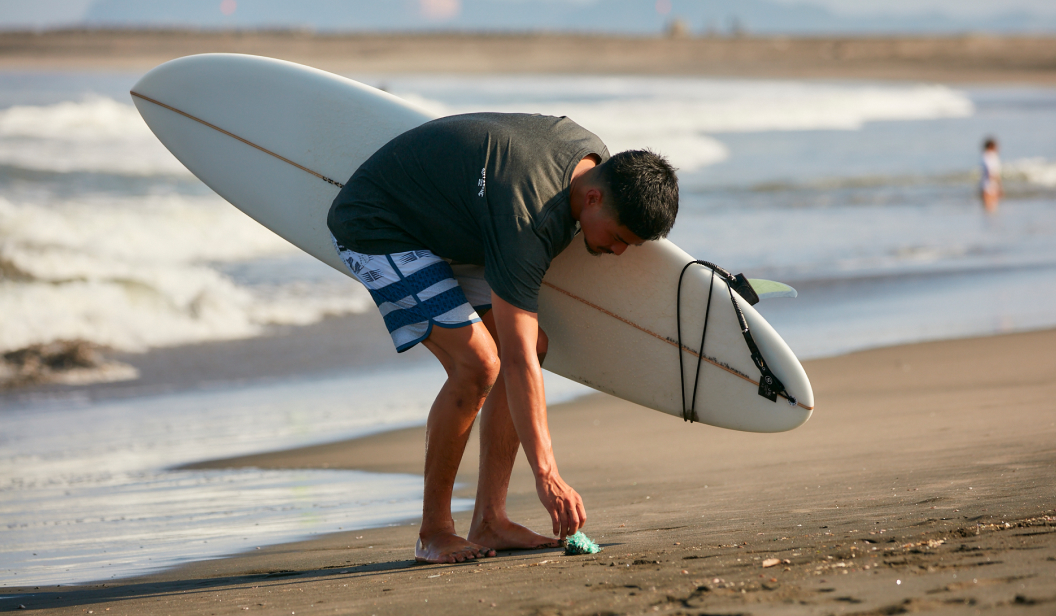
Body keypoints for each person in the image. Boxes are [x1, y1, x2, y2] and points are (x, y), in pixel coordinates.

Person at [327, 112, 679, 564]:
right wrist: (547, 474)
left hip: (454, 225)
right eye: (616, 238)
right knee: (478, 366)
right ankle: (434, 532)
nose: (615, 251)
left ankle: (490, 519)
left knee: (534, 344)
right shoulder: (527, 219)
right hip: (378, 226)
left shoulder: (592, 158)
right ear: (592, 197)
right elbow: (514, 361)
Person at [980, 137, 1002, 213]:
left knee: (989, 211)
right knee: (991, 210)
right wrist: (999, 186)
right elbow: (992, 173)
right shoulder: (990, 156)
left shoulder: (984, 156)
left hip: (985, 185)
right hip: (990, 186)